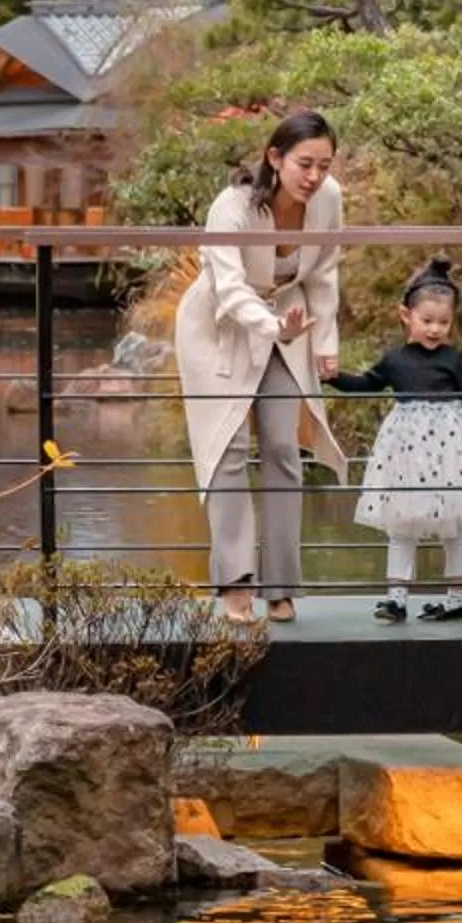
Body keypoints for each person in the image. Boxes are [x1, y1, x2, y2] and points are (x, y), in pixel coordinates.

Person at [174, 108, 347, 628]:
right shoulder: (232, 207)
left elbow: (326, 268)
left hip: (289, 323)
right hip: (220, 330)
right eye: (304, 164)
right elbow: (228, 290)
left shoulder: (329, 199)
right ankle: (235, 584)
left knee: (281, 447)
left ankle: (281, 587)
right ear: (275, 157)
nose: (314, 177)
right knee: (228, 450)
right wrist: (275, 328)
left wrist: (324, 341)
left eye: (324, 164)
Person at [330, 255, 462, 622]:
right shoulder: (395, 359)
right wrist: (334, 377)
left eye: (443, 322)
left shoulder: (455, 359)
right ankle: (396, 598)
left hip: (451, 450)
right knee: (402, 521)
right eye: (427, 321)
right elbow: (367, 384)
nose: (434, 329)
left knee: (455, 524)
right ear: (405, 315)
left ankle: (458, 598)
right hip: (407, 451)